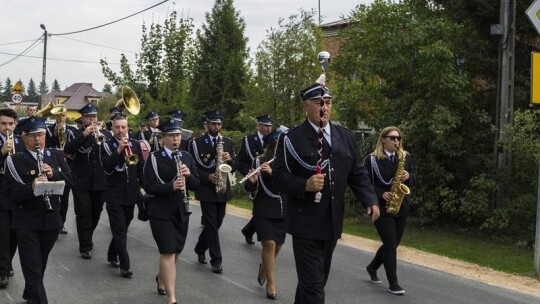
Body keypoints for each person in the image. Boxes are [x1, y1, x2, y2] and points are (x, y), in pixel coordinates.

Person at [272, 83, 380, 304]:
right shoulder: (291, 138)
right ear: (307, 105)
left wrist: (370, 200)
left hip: (331, 222)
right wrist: (305, 185)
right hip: (305, 223)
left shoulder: (346, 137)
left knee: (315, 282)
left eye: (328, 103)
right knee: (313, 288)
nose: (324, 107)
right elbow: (278, 177)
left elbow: (357, 173)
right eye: (319, 103)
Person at [4, 116, 74, 303]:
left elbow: (72, 180)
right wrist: (32, 186)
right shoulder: (14, 160)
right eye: (32, 136)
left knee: (39, 263)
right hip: (26, 220)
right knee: (32, 265)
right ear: (23, 137)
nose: (37, 140)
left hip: (51, 219)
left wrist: (54, 173)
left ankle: (30, 292)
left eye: (41, 135)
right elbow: (11, 192)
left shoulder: (56, 155)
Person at [143, 119, 199, 304]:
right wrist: (171, 186)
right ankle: (172, 298)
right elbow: (149, 186)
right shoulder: (154, 158)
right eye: (172, 136)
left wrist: (189, 175)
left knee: (175, 252)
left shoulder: (187, 157)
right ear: (164, 138)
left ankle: (161, 279)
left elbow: (196, 185)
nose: (176, 139)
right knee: (167, 251)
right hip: (160, 211)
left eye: (178, 136)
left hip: (181, 210)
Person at [363, 126, 415, 295]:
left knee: (391, 244)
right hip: (380, 207)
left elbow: (414, 177)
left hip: (400, 206)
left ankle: (372, 267)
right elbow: (363, 184)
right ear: (383, 139)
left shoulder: (405, 157)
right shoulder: (371, 160)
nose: (396, 141)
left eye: (398, 138)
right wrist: (380, 193)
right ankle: (393, 283)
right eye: (392, 138)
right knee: (391, 245)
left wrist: (409, 176)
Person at [189, 110, 238, 274]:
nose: (216, 127)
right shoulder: (196, 143)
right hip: (206, 189)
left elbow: (235, 167)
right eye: (213, 124)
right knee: (210, 223)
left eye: (219, 124)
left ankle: (200, 247)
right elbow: (192, 166)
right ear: (207, 124)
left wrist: (229, 159)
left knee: (217, 223)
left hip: (222, 188)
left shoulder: (228, 142)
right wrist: (207, 176)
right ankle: (216, 260)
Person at [100, 113, 144, 278]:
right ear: (112, 128)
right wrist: (118, 150)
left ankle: (112, 253)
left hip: (131, 193)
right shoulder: (106, 145)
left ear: (127, 128)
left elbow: (140, 168)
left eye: (123, 127)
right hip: (114, 194)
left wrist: (147, 189)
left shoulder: (135, 144)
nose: (120, 130)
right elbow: (107, 168)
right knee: (119, 231)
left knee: (123, 228)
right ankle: (125, 265)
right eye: (117, 127)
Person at [244, 130, 284, 300]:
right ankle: (271, 285)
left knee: (278, 245)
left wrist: (271, 174)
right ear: (269, 146)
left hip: (282, 208)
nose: (276, 149)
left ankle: (263, 269)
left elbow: (288, 185)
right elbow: (250, 187)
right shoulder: (258, 160)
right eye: (274, 146)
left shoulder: (287, 162)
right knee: (268, 243)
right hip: (263, 208)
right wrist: (251, 182)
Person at [64, 103, 107, 260]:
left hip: (100, 181)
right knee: (83, 213)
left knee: (96, 212)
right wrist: (85, 135)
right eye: (89, 117)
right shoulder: (74, 133)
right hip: (80, 180)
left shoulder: (104, 133)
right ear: (82, 119)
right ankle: (85, 246)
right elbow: (68, 150)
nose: (92, 119)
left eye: (94, 116)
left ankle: (87, 235)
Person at [237, 114, 273, 245]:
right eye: (265, 126)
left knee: (264, 209)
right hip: (255, 181)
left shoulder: (273, 140)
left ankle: (249, 230)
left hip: (270, 179)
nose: (268, 129)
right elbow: (240, 161)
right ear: (258, 126)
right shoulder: (249, 140)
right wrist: (248, 173)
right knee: (260, 208)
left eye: (270, 126)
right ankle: (255, 233)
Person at [0, 108, 24, 288]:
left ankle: (7, 263)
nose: (7, 127)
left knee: (15, 236)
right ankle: (3, 270)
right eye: (3, 124)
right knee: (3, 235)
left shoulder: (21, 142)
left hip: (17, 196)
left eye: (10, 124)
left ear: (15, 124)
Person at [45, 105, 77, 235]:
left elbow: (76, 146)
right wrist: (54, 134)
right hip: (52, 165)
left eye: (63, 115)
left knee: (64, 198)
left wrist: (70, 153)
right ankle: (52, 221)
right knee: (52, 196)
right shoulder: (48, 129)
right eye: (58, 116)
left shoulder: (72, 130)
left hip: (66, 165)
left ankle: (61, 223)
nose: (61, 118)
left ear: (66, 116)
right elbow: (46, 145)